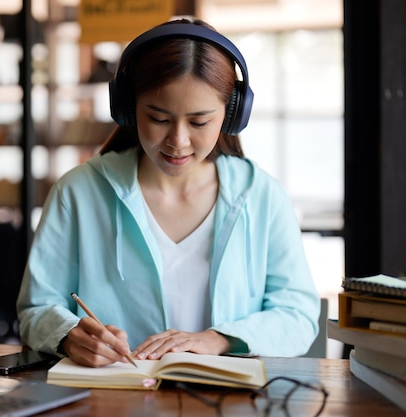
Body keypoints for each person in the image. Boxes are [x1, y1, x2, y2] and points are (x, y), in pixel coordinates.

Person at [16, 18, 320, 367]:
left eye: (199, 122)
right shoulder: (78, 192)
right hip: (111, 402)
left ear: (232, 114)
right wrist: (69, 336)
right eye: (159, 118)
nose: (178, 141)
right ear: (128, 108)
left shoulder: (263, 196)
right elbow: (36, 308)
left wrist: (216, 340)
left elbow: (297, 314)